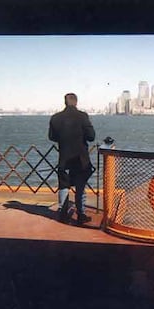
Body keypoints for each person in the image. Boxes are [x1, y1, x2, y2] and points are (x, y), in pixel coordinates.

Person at [48, 93, 95, 225]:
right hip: (80, 158)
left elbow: (52, 137)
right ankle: (81, 214)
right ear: (76, 102)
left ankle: (62, 213)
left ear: (65, 102)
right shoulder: (83, 116)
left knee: (63, 185)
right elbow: (91, 136)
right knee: (80, 187)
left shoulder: (55, 118)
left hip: (64, 156)